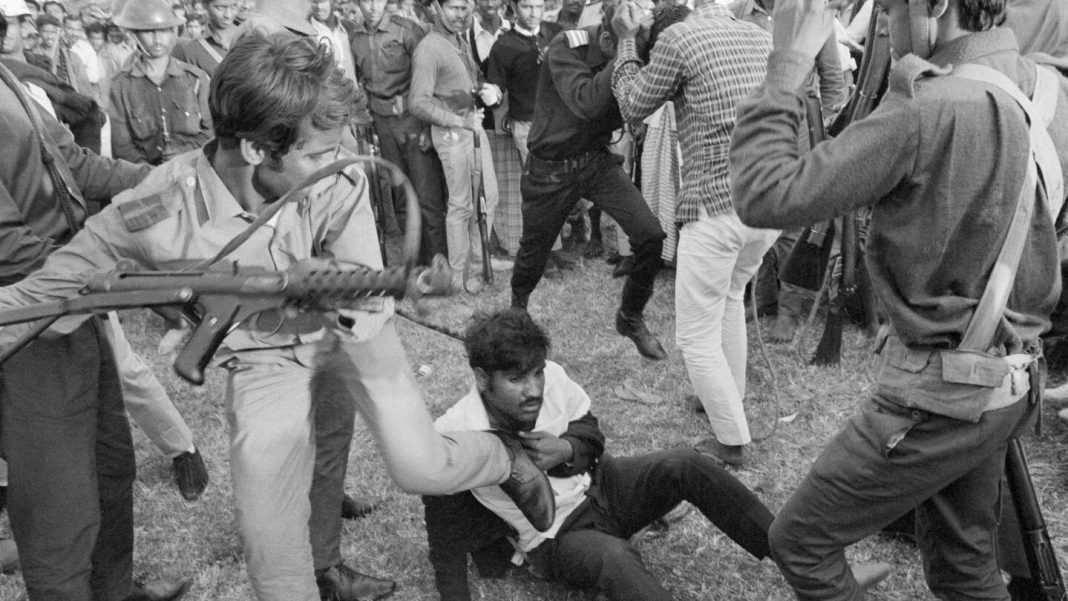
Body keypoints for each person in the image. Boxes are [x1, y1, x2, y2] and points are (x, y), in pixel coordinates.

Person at [0, 30, 554, 601]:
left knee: (419, 466)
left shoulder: (338, 178)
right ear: (255, 150)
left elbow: (365, 297)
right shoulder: (153, 210)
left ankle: (505, 456)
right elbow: (38, 298)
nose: (334, 163)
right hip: (265, 359)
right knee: (272, 552)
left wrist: (322, 290)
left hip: (352, 335)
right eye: (315, 155)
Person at [728, 0, 1068, 596]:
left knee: (800, 542)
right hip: (1007, 379)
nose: (885, 24)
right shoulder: (1045, 88)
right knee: (964, 566)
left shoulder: (924, 106)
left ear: (935, 6)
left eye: (888, 9)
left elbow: (763, 193)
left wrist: (787, 65)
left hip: (940, 397)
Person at [0, 8, 195, 601]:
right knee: (59, 502)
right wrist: (107, 267)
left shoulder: (9, 79)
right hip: (30, 323)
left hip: (77, 302)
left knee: (110, 466)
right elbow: (8, 246)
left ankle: (114, 590)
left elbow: (77, 164)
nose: (18, 27)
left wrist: (169, 179)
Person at [423, 308, 776, 601]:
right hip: (558, 538)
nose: (533, 390)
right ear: (482, 378)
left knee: (685, 463)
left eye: (536, 373)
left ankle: (790, 551)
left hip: (604, 488)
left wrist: (567, 449)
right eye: (516, 379)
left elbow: (591, 432)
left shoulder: (553, 377)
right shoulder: (455, 435)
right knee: (615, 558)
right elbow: (445, 537)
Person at [611, 0, 777, 466]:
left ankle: (731, 441)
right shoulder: (759, 35)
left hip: (717, 205)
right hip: (768, 200)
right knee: (729, 298)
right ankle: (725, 400)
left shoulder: (678, 38)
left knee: (695, 337)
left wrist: (627, 41)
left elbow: (631, 104)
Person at [509, 0, 667, 360]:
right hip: (551, 168)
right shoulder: (567, 46)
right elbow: (587, 103)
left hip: (595, 160)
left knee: (650, 236)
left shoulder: (634, 47)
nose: (635, 58)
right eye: (627, 47)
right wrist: (626, 51)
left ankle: (630, 317)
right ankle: (517, 314)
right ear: (609, 38)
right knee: (533, 254)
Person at [410, 0, 502, 293]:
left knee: (489, 197)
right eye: (453, 8)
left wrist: (487, 90)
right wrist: (459, 122)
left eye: (464, 7)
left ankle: (478, 262)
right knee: (461, 204)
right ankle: (459, 275)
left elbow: (468, 81)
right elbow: (418, 103)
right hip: (453, 134)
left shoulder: (459, 40)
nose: (460, 14)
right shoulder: (428, 49)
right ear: (437, 7)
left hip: (472, 128)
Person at [349, 0, 450, 262]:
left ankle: (438, 262)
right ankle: (415, 263)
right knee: (402, 197)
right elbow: (362, 82)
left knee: (427, 197)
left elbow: (431, 78)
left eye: (378, 0)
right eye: (366, 1)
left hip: (413, 121)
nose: (373, 7)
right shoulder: (355, 38)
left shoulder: (406, 30)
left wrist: (429, 128)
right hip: (383, 125)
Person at [109, 0, 212, 165]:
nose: (157, 39)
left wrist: (184, 154)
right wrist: (154, 173)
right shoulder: (121, 85)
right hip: (145, 174)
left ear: (173, 33)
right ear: (135, 35)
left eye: (164, 31)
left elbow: (211, 133)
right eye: (148, 32)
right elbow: (122, 147)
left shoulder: (196, 79)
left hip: (192, 168)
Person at [170, 0, 238, 77]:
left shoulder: (247, 37)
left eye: (233, 6)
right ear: (205, 5)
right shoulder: (192, 49)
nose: (228, 15)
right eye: (220, 8)